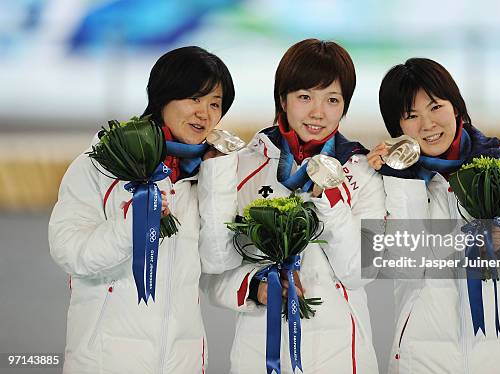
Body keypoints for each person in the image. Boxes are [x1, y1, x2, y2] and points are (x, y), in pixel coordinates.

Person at [367, 58, 500, 374]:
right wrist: (401, 178)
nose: (427, 124)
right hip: (419, 363)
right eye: (411, 116)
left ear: (456, 107)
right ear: (398, 127)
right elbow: (405, 264)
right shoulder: (388, 182)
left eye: (436, 107)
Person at [49, 46, 242, 373]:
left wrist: (218, 178)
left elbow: (217, 261)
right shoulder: (103, 164)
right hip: (106, 362)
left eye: (215, 104)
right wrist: (133, 227)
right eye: (194, 98)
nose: (204, 113)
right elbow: (70, 251)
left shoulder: (203, 174)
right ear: (163, 96)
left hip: (183, 362)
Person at [207, 38, 385, 373]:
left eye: (332, 99)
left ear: (344, 106)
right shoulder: (243, 167)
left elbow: (362, 271)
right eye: (305, 97)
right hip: (258, 357)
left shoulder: (361, 171)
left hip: (343, 358)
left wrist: (327, 196)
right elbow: (213, 266)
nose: (318, 112)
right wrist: (257, 288)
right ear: (282, 100)